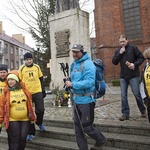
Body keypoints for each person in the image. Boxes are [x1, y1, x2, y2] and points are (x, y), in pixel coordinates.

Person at [65, 44, 107, 150]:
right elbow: (74, 79)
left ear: (82, 52)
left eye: (76, 52)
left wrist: (73, 84)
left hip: (87, 100)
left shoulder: (89, 64)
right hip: (76, 100)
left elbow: (89, 82)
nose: (74, 54)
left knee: (87, 126)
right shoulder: (73, 65)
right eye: (73, 52)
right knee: (78, 129)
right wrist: (68, 80)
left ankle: (101, 140)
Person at [112, 34, 146, 121]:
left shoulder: (133, 48)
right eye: (120, 42)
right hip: (123, 76)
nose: (122, 43)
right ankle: (125, 114)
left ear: (127, 40)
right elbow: (114, 62)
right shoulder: (118, 50)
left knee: (136, 94)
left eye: (123, 41)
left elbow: (141, 58)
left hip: (133, 75)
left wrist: (134, 64)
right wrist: (120, 53)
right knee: (123, 95)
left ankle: (143, 110)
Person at [0, 70, 36, 150]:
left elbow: (29, 103)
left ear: (16, 80)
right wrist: (1, 119)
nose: (10, 81)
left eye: (12, 79)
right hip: (12, 119)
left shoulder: (24, 90)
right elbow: (2, 106)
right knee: (15, 140)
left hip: (25, 119)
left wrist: (32, 115)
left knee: (23, 138)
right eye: (8, 80)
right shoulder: (6, 92)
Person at [18, 52, 46, 141]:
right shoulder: (21, 69)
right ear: (25, 60)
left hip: (37, 91)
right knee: (29, 114)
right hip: (27, 93)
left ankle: (39, 122)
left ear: (32, 59)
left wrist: (43, 90)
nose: (29, 61)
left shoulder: (37, 67)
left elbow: (41, 79)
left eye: (30, 59)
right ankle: (31, 133)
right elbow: (19, 82)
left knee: (40, 110)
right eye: (27, 60)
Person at [140, 47, 150, 123]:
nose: (147, 61)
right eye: (146, 59)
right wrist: (145, 98)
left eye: (149, 59)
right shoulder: (145, 68)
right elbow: (142, 83)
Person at [0, 65, 8, 133]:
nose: (2, 74)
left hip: (7, 107)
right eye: (0, 72)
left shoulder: (10, 81)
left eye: (4, 72)